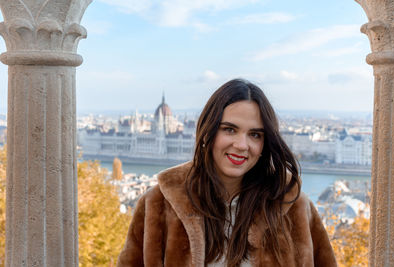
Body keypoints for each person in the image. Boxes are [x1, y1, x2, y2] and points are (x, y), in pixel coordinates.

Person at [117, 79, 337, 267]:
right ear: (208, 131)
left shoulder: (292, 206)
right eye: (229, 129)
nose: (242, 145)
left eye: (255, 134)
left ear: (265, 143)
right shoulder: (159, 205)